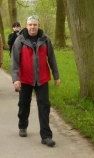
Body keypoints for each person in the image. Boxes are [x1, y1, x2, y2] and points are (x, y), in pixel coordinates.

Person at [11, 15, 60, 147]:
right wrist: (16, 79)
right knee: (23, 104)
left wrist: (56, 76)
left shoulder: (45, 39)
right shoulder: (20, 40)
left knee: (44, 106)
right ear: (26, 26)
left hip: (42, 78)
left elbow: (52, 58)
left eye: (35, 24)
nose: (32, 27)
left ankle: (46, 136)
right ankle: (22, 125)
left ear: (39, 25)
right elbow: (14, 61)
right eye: (30, 25)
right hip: (25, 79)